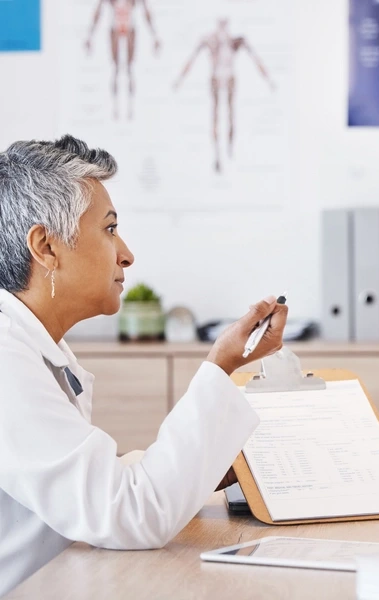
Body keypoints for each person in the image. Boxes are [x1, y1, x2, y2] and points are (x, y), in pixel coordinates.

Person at [0, 135, 287, 596]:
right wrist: (220, 365)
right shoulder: (5, 359)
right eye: (109, 229)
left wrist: (196, 469)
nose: (126, 253)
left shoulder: (32, 345)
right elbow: (129, 513)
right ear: (46, 248)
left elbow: (93, 484)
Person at [173, 18, 277, 174]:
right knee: (216, 116)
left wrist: (268, 79)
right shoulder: (210, 40)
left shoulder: (235, 41)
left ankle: (229, 150)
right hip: (217, 78)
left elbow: (255, 59)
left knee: (230, 114)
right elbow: (192, 59)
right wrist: (180, 79)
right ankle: (218, 154)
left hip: (229, 78)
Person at [85, 0, 161, 120]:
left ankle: (130, 109)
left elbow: (146, 12)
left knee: (129, 70)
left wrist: (154, 36)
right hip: (116, 28)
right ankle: (116, 109)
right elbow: (98, 12)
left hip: (129, 28)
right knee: (116, 70)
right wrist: (90, 36)